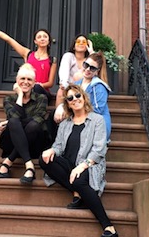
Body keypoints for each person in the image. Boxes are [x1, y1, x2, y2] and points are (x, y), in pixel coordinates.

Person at [39, 84, 119, 237]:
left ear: (83, 97)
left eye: (77, 96)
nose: (75, 99)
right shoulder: (65, 124)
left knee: (78, 180)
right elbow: (59, 147)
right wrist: (51, 150)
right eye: (70, 98)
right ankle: (78, 191)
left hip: (90, 165)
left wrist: (82, 166)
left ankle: (108, 226)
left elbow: (99, 149)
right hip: (70, 166)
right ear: (67, 103)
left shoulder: (97, 120)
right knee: (43, 160)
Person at [0, 63, 48, 185]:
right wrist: (20, 95)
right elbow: (14, 117)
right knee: (15, 121)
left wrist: (9, 122)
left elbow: (38, 119)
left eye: (29, 79)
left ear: (34, 83)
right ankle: (29, 165)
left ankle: (8, 162)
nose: (25, 82)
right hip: (11, 141)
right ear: (16, 81)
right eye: (22, 79)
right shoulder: (8, 99)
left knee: (33, 126)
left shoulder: (41, 98)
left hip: (34, 143)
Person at [0, 22, 57, 101]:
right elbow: (9, 40)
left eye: (45, 37)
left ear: (49, 40)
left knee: (36, 88)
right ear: (35, 41)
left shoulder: (52, 60)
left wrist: (39, 85)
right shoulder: (28, 54)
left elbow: (50, 83)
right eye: (39, 37)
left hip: (42, 92)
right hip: (27, 88)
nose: (42, 39)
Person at [54, 34, 94, 123]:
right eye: (78, 41)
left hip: (84, 90)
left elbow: (96, 71)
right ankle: (60, 120)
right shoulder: (69, 56)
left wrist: (91, 52)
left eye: (84, 42)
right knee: (61, 91)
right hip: (68, 88)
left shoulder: (89, 60)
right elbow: (64, 70)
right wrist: (64, 85)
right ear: (74, 45)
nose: (81, 43)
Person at [76, 52, 112, 140]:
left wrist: (77, 111)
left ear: (97, 71)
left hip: (97, 125)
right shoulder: (77, 84)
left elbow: (98, 109)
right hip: (80, 120)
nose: (88, 69)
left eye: (92, 68)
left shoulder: (99, 86)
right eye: (86, 65)